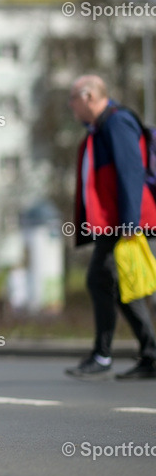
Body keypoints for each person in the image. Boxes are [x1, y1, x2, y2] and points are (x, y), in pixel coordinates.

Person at [66, 74, 156, 379]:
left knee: (122, 283)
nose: (70, 105)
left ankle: (108, 354)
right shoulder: (99, 128)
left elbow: (131, 171)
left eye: (73, 98)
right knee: (116, 283)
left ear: (89, 96)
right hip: (118, 224)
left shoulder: (117, 123)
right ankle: (145, 353)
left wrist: (130, 223)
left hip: (132, 222)